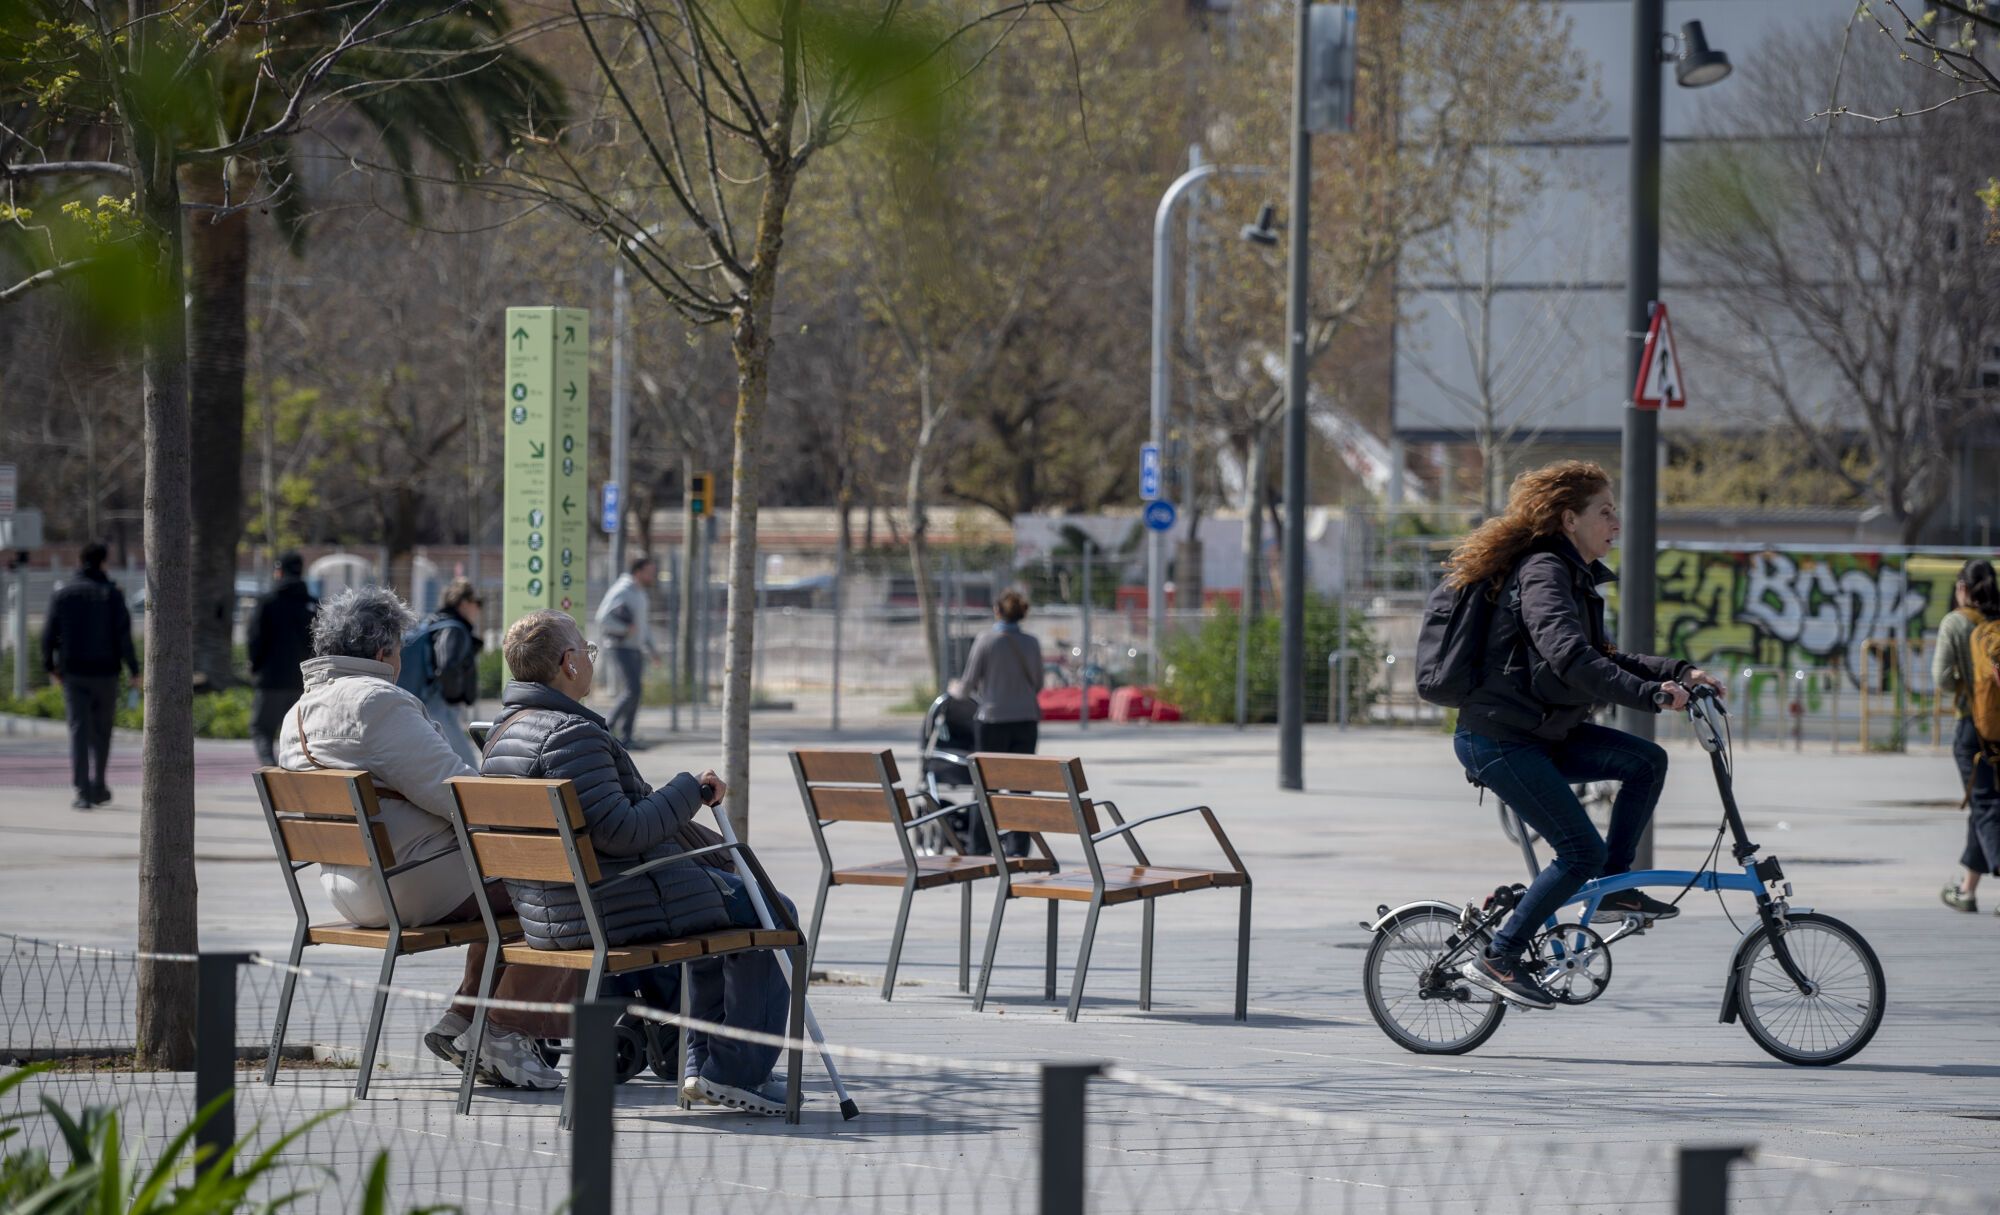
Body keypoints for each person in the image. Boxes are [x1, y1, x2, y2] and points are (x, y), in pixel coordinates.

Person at [481, 609, 800, 1116]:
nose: (590, 658)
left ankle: (705, 1067)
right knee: (772, 910)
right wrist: (687, 789)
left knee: (723, 903)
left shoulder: (501, 736)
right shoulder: (570, 735)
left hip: (553, 912)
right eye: (586, 650)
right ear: (568, 663)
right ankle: (734, 1072)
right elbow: (624, 831)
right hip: (612, 904)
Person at [1443, 460, 1726, 1009]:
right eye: (1606, 511)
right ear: (1570, 519)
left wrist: (1678, 671)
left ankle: (1616, 890)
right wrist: (1649, 695)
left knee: (1646, 762)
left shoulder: (1573, 575)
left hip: (1542, 734)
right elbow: (1570, 658)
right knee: (1579, 851)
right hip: (1499, 740)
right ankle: (1499, 955)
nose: (1615, 521)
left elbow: (1605, 657)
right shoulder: (1545, 572)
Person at [277, 586, 576, 1089]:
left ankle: (465, 1019)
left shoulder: (298, 713)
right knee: (564, 890)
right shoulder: (378, 703)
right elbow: (457, 795)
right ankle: (503, 1030)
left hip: (350, 885)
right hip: (407, 880)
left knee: (515, 883)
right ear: (383, 652)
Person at [41, 541, 139, 809]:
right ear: (103, 562)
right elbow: (124, 637)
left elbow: (49, 633)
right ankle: (99, 784)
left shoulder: (64, 594)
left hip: (74, 673)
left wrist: (50, 666)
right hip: (106, 673)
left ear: (79, 561)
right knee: (102, 731)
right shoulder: (112, 594)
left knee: (79, 730)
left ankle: (82, 790)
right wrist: (134, 669)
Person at [954, 588, 1045, 856]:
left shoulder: (986, 640)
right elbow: (1038, 683)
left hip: (992, 719)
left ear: (997, 611)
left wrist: (955, 690)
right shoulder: (1032, 643)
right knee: (1020, 787)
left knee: (985, 786)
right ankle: (1018, 847)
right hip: (1026, 719)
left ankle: (980, 845)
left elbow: (968, 684)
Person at [1933, 560, 2000, 913]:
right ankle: (1967, 889)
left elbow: (1942, 677)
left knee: (1985, 803)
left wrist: (1966, 686)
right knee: (1984, 803)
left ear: (1963, 588)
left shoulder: (1955, 622)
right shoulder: (1997, 623)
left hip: (1972, 726)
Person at [247, 552, 319, 767]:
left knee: (262, 729)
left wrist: (255, 665)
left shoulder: (268, 602)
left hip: (271, 680)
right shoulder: (312, 604)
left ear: (279, 571)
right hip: (303, 681)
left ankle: (270, 770)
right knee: (299, 732)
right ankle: (294, 771)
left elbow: (255, 639)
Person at [412, 579, 485, 768]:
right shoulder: (454, 629)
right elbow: (447, 667)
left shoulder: (434, 623)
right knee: (468, 767)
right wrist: (453, 698)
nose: (479, 609)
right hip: (440, 707)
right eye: (478, 603)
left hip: (424, 703)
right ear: (464, 603)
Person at [594, 555, 659, 749]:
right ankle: (606, 728)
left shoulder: (640, 593)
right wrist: (624, 630)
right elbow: (602, 618)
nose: (652, 576)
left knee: (635, 692)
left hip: (635, 648)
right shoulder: (622, 590)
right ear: (638, 572)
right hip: (620, 647)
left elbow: (642, 626)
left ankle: (626, 736)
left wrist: (652, 650)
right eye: (649, 572)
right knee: (632, 690)